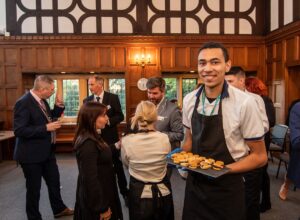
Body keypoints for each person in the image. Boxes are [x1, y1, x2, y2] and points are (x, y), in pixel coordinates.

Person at [181, 42, 267, 220]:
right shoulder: (189, 100)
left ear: (227, 65)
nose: (207, 68)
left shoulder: (244, 103)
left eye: (215, 62)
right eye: (202, 63)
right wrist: (179, 159)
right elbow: (188, 141)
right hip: (195, 187)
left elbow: (260, 156)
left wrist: (222, 170)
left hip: (227, 187)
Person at [13, 75, 74, 220]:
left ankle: (59, 209)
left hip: (47, 152)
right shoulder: (23, 103)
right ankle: (34, 217)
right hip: (30, 155)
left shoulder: (42, 101)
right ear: (42, 89)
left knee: (55, 183)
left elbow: (50, 117)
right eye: (51, 90)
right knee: (34, 190)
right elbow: (19, 130)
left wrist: (58, 106)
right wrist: (45, 128)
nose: (53, 92)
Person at [225, 67, 270, 219]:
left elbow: (264, 125)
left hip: (250, 155)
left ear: (241, 80)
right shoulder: (224, 100)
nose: (227, 85)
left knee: (250, 198)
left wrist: (245, 129)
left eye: (230, 81)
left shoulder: (254, 99)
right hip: (232, 157)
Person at [121, 101, 174, 220]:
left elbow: (127, 165)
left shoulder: (127, 141)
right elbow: (166, 162)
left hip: (139, 197)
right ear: (156, 118)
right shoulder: (164, 139)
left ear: (136, 116)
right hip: (163, 194)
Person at [83, 75, 129, 204]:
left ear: (100, 84)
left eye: (91, 84)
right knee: (97, 168)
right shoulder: (86, 100)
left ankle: (125, 193)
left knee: (117, 167)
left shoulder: (112, 98)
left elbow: (120, 116)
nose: (90, 87)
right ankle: (101, 195)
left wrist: (109, 121)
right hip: (94, 140)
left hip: (110, 138)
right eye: (89, 85)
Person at [73, 102, 123, 220]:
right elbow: (90, 180)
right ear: (92, 118)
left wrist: (117, 145)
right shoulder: (88, 144)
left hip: (104, 188)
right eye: (104, 115)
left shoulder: (92, 135)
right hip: (98, 196)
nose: (107, 118)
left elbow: (100, 154)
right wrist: (101, 208)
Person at [245, 76, 276, 212]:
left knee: (261, 171)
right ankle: (264, 201)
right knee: (261, 172)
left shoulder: (263, 100)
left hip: (262, 137)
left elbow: (270, 121)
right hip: (257, 137)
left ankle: (265, 202)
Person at [146, 77, 184, 178]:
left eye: (155, 93)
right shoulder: (145, 106)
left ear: (163, 92)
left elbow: (180, 134)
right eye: (149, 92)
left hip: (164, 156)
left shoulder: (173, 109)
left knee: (163, 185)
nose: (151, 96)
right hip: (147, 153)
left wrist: (157, 135)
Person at [278, 100, 300, 200]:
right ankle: (286, 186)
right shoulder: (297, 107)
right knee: (292, 170)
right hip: (297, 148)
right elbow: (296, 140)